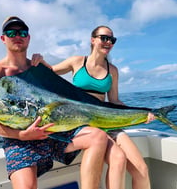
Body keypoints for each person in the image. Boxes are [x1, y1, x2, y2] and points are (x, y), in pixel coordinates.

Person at [0, 16, 110, 189]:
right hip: (19, 138)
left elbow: (61, 94)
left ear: (28, 38)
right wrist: (22, 135)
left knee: (98, 137)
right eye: (11, 32)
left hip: (52, 131)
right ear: (3, 38)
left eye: (22, 32)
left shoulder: (37, 67)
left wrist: (45, 66)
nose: (17, 36)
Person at [32, 25, 153, 189]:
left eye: (112, 40)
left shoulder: (113, 71)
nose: (108, 42)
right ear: (93, 40)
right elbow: (50, 71)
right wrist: (40, 59)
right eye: (104, 38)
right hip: (82, 124)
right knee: (118, 159)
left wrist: (141, 114)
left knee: (142, 170)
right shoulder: (76, 61)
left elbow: (115, 101)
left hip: (107, 121)